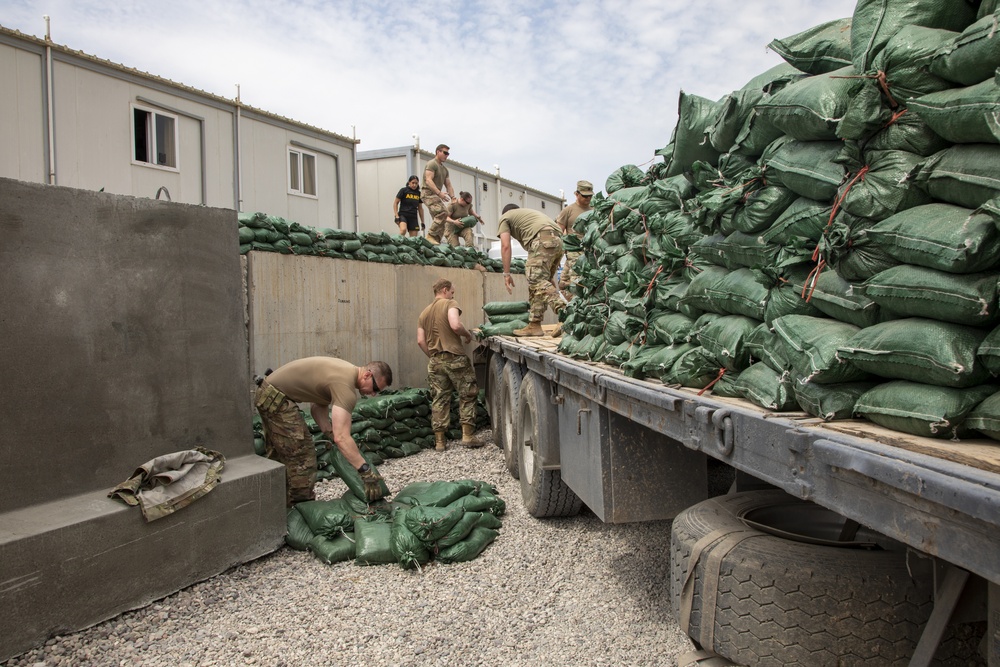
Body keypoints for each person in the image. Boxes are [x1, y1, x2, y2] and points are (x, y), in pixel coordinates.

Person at [254, 357, 393, 506]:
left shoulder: (344, 372)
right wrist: (365, 471)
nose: (373, 394)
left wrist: (328, 432)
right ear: (367, 375)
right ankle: (301, 508)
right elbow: (342, 438)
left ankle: (274, 506)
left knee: (280, 456)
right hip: (277, 398)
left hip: (269, 393)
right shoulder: (345, 387)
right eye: (375, 388)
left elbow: (318, 408)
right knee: (303, 458)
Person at [416, 278, 486, 450]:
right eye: (452, 291)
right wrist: (467, 335)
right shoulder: (449, 303)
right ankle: (468, 436)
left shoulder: (424, 313)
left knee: (439, 398)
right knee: (468, 394)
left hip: (435, 362)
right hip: (454, 357)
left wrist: (432, 356)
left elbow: (420, 341)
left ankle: (440, 441)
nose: (453, 294)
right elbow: (455, 324)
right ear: (445, 290)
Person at [498, 204, 565, 337]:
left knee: (536, 281)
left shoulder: (505, 217)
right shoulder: (530, 214)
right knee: (539, 284)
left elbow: (505, 245)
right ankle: (534, 324)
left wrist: (506, 274)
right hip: (559, 241)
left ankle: (566, 313)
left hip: (542, 240)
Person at [555, 180, 594, 299]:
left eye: (590, 196)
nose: (587, 198)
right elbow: (558, 233)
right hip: (573, 250)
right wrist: (556, 256)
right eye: (584, 196)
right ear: (576, 194)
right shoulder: (568, 210)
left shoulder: (594, 210)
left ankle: (575, 306)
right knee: (566, 282)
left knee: (575, 281)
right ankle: (572, 306)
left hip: (589, 251)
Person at [421, 144, 456, 245]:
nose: (447, 155)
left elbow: (448, 185)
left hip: (435, 195)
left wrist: (453, 197)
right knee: (442, 213)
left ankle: (436, 240)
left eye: (448, 153)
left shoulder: (444, 170)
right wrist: (439, 193)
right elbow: (428, 180)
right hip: (428, 193)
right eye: (445, 153)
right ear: (438, 152)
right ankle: (430, 236)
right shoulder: (432, 164)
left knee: (442, 218)